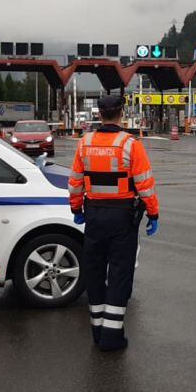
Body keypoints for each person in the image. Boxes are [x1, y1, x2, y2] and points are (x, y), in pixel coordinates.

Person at [68, 94, 159, 351]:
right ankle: (112, 336)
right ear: (121, 114)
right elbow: (145, 185)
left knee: (94, 273)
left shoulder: (84, 143)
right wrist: (153, 214)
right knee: (119, 274)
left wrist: (76, 209)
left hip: (94, 215)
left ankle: (97, 331)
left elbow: (75, 181)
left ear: (99, 114)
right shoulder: (131, 145)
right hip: (122, 219)